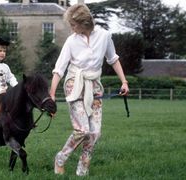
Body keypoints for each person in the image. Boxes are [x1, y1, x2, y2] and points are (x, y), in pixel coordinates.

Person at [49, 3, 129, 176]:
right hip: (74, 85)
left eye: (73, 24)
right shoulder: (71, 41)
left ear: (84, 23)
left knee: (94, 133)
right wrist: (52, 94)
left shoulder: (105, 36)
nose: (71, 28)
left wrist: (124, 82)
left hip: (94, 86)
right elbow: (59, 69)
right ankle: (60, 158)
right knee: (82, 130)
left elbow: (113, 59)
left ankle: (83, 168)